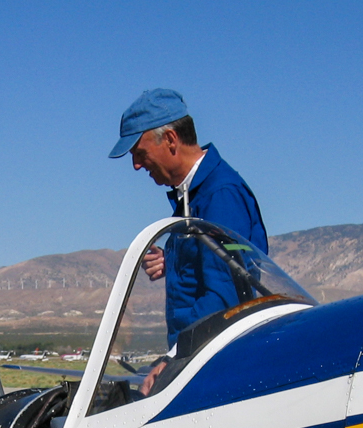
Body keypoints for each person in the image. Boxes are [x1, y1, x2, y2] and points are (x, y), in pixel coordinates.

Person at [110, 89, 270, 393]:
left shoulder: (220, 196)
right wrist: (172, 261)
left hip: (215, 362)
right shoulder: (192, 196)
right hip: (199, 356)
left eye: (139, 152)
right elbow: (212, 264)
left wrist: (172, 361)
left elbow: (224, 295)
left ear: (170, 139)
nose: (135, 165)